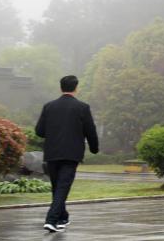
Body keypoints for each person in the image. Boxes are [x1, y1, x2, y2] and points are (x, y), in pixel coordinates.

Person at [35, 75, 99, 234]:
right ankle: (51, 220)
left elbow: (39, 131)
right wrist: (94, 148)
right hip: (71, 153)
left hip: (52, 152)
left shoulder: (49, 106)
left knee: (58, 187)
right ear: (76, 88)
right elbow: (90, 131)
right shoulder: (82, 107)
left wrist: (54, 132)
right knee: (62, 187)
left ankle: (62, 218)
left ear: (61, 87)